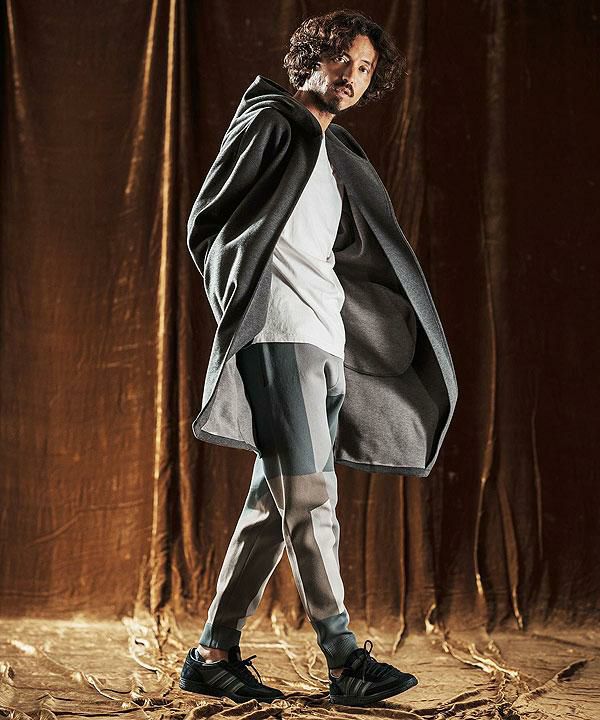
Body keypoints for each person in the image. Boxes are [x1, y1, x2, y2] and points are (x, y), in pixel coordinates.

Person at [180, 8, 456, 707]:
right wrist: (242, 303)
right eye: (342, 60)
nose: (352, 77)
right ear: (312, 57)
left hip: (325, 336)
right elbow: (208, 223)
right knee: (310, 499)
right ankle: (343, 655)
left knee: (273, 505)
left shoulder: (334, 152)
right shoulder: (271, 124)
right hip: (279, 333)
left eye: (365, 68)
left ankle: (212, 653)